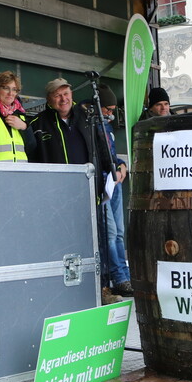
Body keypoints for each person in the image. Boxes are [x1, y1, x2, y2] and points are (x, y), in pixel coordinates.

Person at [28, 78, 117, 301]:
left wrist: (116, 165)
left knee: (95, 243)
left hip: (88, 194)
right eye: (57, 95)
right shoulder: (38, 123)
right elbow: (32, 159)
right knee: (60, 244)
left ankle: (101, 290)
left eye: (66, 93)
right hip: (55, 198)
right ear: (49, 99)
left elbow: (103, 147)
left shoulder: (88, 118)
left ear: (71, 95)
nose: (63, 99)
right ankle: (63, 293)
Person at [97, 85, 131, 299]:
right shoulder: (91, 123)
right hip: (103, 182)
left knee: (118, 231)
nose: (110, 113)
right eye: (107, 109)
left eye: (112, 110)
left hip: (114, 180)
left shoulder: (107, 126)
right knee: (110, 233)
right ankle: (118, 277)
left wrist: (121, 165)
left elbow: (111, 155)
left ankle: (124, 276)